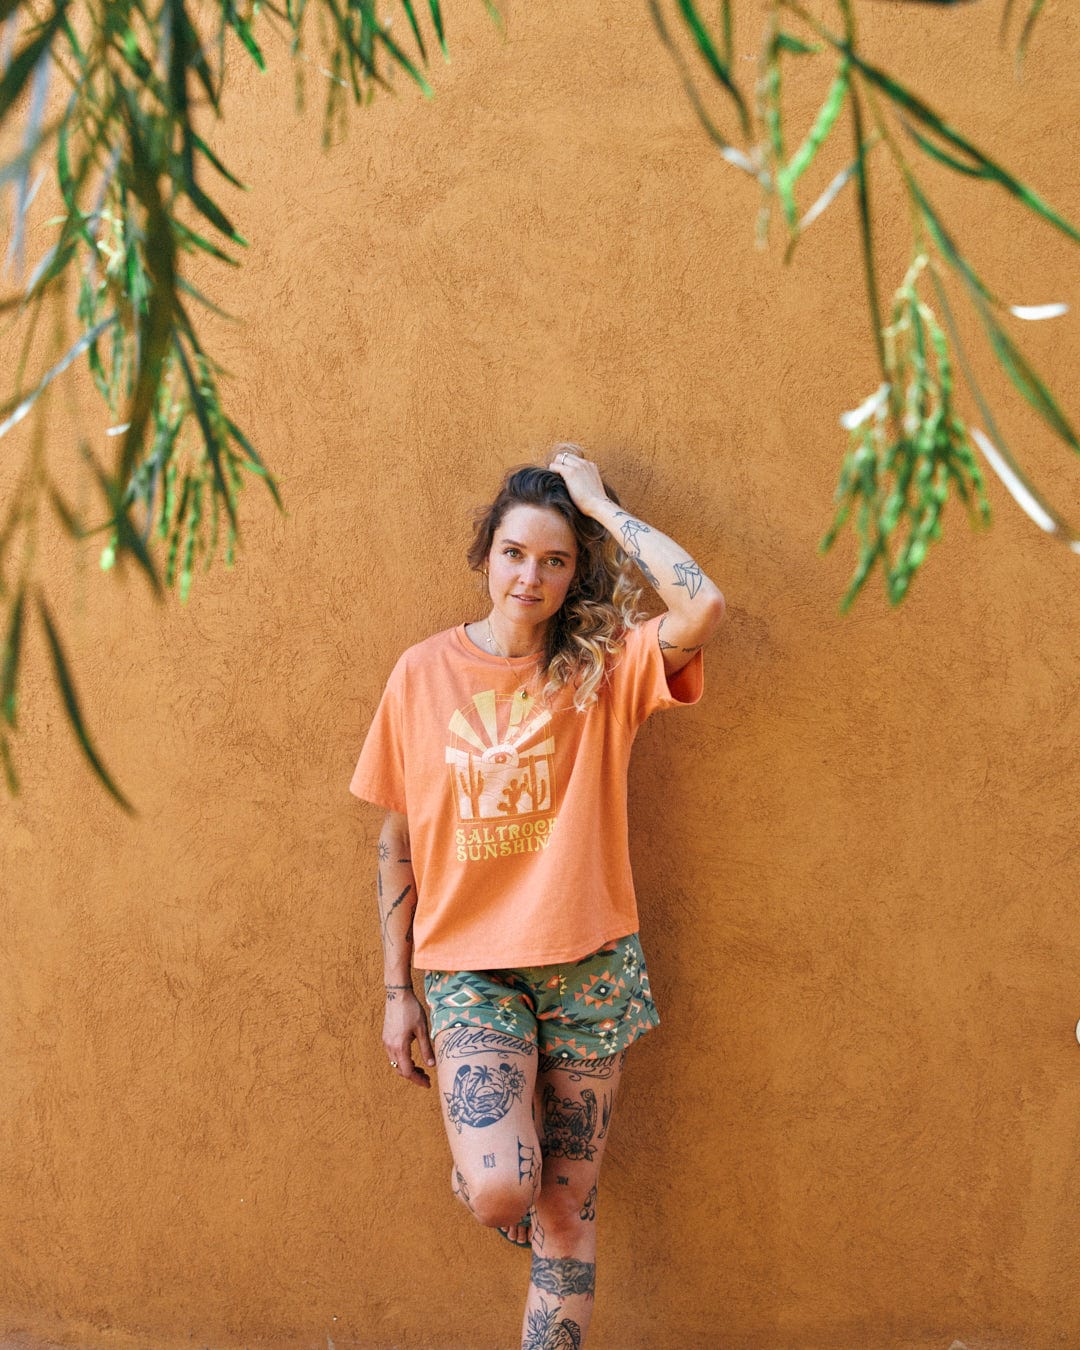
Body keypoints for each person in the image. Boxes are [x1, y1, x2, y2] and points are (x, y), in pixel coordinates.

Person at [349, 445, 724, 1349]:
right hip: (471, 969)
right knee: (503, 1191)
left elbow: (703, 605)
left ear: (575, 570)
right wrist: (400, 993)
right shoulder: (421, 674)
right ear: (486, 554)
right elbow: (397, 840)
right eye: (516, 552)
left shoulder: (604, 671)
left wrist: (597, 504)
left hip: (590, 968)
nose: (532, 575)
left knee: (566, 1213)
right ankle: (489, 1166)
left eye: (556, 559)